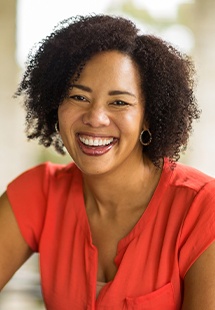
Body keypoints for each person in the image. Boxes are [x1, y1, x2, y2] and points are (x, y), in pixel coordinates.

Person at [0, 14, 215, 310]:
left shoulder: (203, 208)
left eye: (119, 102)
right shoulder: (39, 193)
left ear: (148, 117)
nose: (95, 118)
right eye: (78, 97)